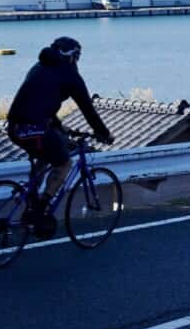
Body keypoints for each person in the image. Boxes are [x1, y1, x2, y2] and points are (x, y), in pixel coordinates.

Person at [7, 37, 114, 236]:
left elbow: (39, 100)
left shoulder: (38, 67)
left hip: (15, 127)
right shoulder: (70, 75)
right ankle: (41, 205)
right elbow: (88, 110)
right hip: (35, 128)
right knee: (64, 162)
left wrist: (59, 126)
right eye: (77, 57)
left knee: (47, 153)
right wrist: (104, 134)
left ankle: (31, 198)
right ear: (72, 57)